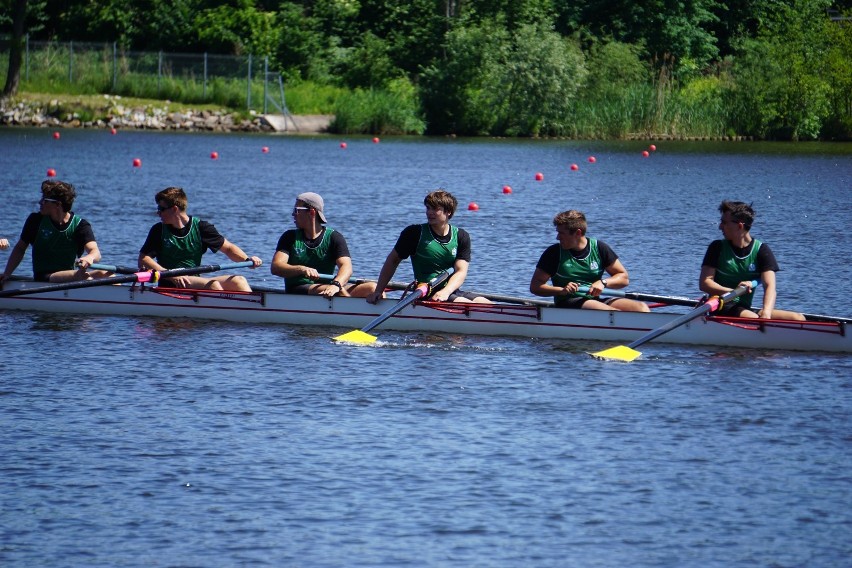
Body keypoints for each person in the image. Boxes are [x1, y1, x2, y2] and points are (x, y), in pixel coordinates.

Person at [366, 189, 490, 304]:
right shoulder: (414, 233)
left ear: (448, 212)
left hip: (450, 291)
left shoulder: (461, 236)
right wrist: (378, 291)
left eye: (435, 209)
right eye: (428, 208)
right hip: (425, 292)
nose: (429, 212)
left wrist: (445, 292)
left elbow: (461, 271)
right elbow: (392, 261)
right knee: (466, 304)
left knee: (485, 303)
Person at [138, 186, 262, 291]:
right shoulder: (158, 230)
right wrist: (170, 275)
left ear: (174, 209)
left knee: (238, 280)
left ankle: (252, 314)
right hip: (172, 282)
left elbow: (228, 248)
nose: (158, 213)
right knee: (213, 285)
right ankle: (222, 317)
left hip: (195, 280)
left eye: (161, 209)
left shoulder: (201, 227)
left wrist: (247, 260)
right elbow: (143, 259)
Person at [699, 200, 804, 321]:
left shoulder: (761, 250)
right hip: (721, 305)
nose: (720, 227)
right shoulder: (717, 247)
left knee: (798, 318)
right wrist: (734, 291)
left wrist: (766, 313)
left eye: (724, 223)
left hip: (744, 308)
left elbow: (770, 286)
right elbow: (705, 283)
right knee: (753, 317)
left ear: (739, 226)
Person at [529, 210, 650, 312]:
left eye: (561, 233)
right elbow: (535, 287)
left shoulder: (599, 248)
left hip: (594, 301)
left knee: (642, 308)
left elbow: (624, 278)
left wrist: (603, 283)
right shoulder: (554, 253)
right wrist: (562, 290)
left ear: (578, 233)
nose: (557, 237)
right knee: (611, 313)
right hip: (568, 302)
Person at [0, 180, 110, 284]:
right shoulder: (35, 221)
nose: (40, 202)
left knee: (107, 274)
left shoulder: (80, 225)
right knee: (82, 276)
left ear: (58, 204)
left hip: (71, 276)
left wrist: (89, 257)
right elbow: (20, 248)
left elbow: (95, 252)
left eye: (45, 200)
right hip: (44, 277)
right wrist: (7, 274)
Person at [271, 192, 376, 298]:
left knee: (373, 289)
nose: (293, 214)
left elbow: (347, 268)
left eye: (296, 210)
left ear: (311, 212)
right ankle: (355, 312)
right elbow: (276, 267)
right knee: (338, 292)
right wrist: (301, 269)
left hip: (329, 287)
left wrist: (336, 284)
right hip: (298, 288)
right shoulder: (289, 237)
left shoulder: (334, 237)